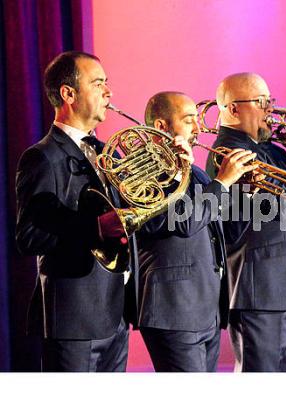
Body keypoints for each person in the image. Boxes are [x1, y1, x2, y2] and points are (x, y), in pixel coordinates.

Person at [206, 72, 286, 372]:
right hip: (264, 289)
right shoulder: (228, 151)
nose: (271, 110)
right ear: (233, 109)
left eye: (270, 101)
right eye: (261, 102)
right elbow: (276, 202)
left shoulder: (268, 148)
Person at [15, 51, 138, 371]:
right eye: (98, 84)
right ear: (68, 94)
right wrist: (95, 228)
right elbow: (28, 236)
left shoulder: (108, 153)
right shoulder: (42, 157)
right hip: (73, 319)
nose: (108, 92)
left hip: (115, 315)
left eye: (107, 83)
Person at [137, 91, 257, 372]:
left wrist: (245, 190)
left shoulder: (197, 174)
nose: (198, 127)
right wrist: (223, 182)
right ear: (162, 127)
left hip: (206, 311)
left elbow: (228, 233)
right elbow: (184, 222)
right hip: (174, 312)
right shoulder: (142, 171)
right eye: (189, 119)